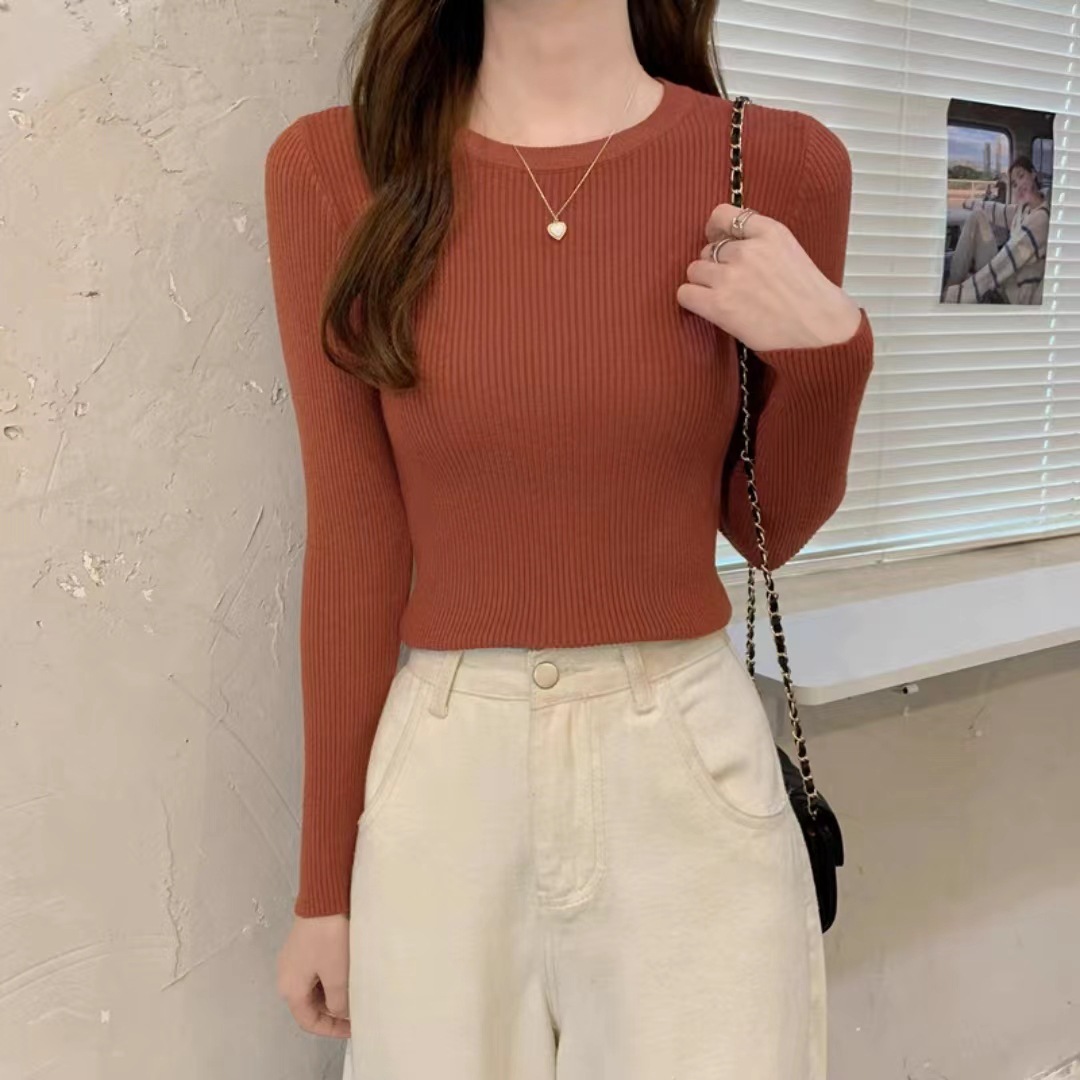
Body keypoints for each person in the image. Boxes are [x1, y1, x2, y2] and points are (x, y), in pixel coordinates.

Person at [263, 1, 874, 1077]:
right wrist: (325, 888)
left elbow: (763, 528)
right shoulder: (335, 169)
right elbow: (355, 536)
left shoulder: (777, 164)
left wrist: (831, 351)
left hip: (683, 768)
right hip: (446, 778)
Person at [943, 154, 1050, 304]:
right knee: (977, 216)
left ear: (1033, 174)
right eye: (1014, 184)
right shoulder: (1024, 210)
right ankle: (951, 285)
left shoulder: (1041, 219)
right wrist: (968, 203)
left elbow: (1005, 261)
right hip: (1008, 278)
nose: (1019, 185)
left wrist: (959, 294)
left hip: (1014, 294)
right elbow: (997, 211)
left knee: (959, 292)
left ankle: (950, 297)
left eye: (1021, 176)